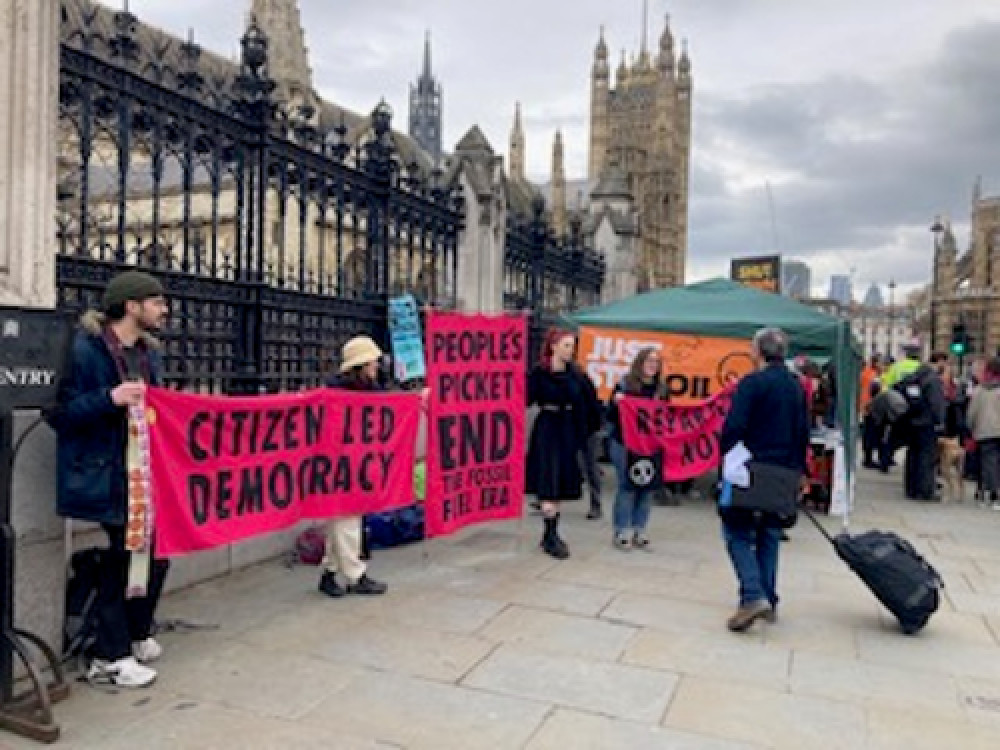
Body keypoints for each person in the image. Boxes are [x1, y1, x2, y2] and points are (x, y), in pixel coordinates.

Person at [50, 271, 171, 688]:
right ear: (131, 306)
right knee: (124, 555)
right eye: (155, 302)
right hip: (103, 473)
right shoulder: (84, 350)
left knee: (154, 552)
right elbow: (58, 413)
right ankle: (108, 654)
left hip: (142, 473)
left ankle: (136, 633)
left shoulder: (150, 354)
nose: (164, 309)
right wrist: (109, 398)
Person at [718, 328, 810, 632]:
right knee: (769, 533)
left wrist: (728, 456)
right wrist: (799, 472)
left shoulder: (752, 383)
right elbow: (802, 432)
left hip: (750, 467)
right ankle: (769, 597)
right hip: (783, 470)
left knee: (736, 531)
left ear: (758, 352)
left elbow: (734, 427)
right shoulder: (795, 386)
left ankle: (753, 595)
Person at [319, 335, 389, 597]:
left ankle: (329, 573)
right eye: (372, 363)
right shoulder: (337, 392)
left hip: (358, 461)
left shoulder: (370, 388)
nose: (376, 367)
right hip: (340, 463)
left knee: (342, 519)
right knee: (346, 518)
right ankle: (355, 576)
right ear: (360, 365)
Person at [526, 328, 596, 559]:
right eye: (566, 345)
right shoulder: (539, 373)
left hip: (568, 430)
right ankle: (550, 534)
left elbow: (590, 402)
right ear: (553, 346)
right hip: (547, 428)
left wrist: (585, 430)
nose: (570, 350)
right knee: (548, 479)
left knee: (560, 482)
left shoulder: (577, 375)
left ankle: (551, 533)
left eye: (572, 346)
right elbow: (524, 398)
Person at [606, 347, 669, 550]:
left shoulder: (662, 390)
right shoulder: (625, 384)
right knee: (627, 486)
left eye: (656, 361)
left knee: (647, 487)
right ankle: (621, 530)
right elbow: (610, 416)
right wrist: (617, 403)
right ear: (640, 362)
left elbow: (666, 418)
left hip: (650, 445)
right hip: (624, 443)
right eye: (649, 360)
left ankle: (639, 529)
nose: (653, 365)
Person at [896, 348, 946, 501]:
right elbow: (936, 403)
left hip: (911, 421)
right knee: (926, 457)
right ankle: (924, 491)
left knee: (912, 455)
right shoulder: (933, 379)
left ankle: (911, 488)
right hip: (926, 423)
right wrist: (940, 421)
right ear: (940, 362)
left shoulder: (914, 376)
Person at [967, 356, 1000, 510]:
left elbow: (972, 413)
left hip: (984, 431)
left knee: (986, 463)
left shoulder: (980, 390)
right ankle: (993, 492)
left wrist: (971, 428)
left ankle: (986, 493)